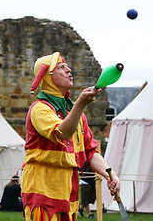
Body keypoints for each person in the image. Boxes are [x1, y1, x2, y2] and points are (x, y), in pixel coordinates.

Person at [21, 52, 121, 221]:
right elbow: (63, 133)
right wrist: (81, 105)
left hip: (68, 188)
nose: (69, 70)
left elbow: (89, 151)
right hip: (42, 188)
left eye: (68, 67)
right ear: (47, 76)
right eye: (61, 67)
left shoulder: (74, 112)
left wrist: (110, 175)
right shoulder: (39, 108)